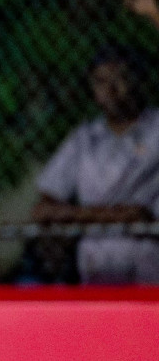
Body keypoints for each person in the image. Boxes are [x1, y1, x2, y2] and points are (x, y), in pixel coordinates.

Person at [32, 44, 159, 283]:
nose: (110, 89)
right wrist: (117, 216)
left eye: (120, 78)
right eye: (100, 81)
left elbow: (142, 216)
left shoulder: (156, 129)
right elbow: (43, 208)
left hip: (148, 254)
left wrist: (74, 215)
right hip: (95, 260)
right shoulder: (85, 138)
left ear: (139, 80)